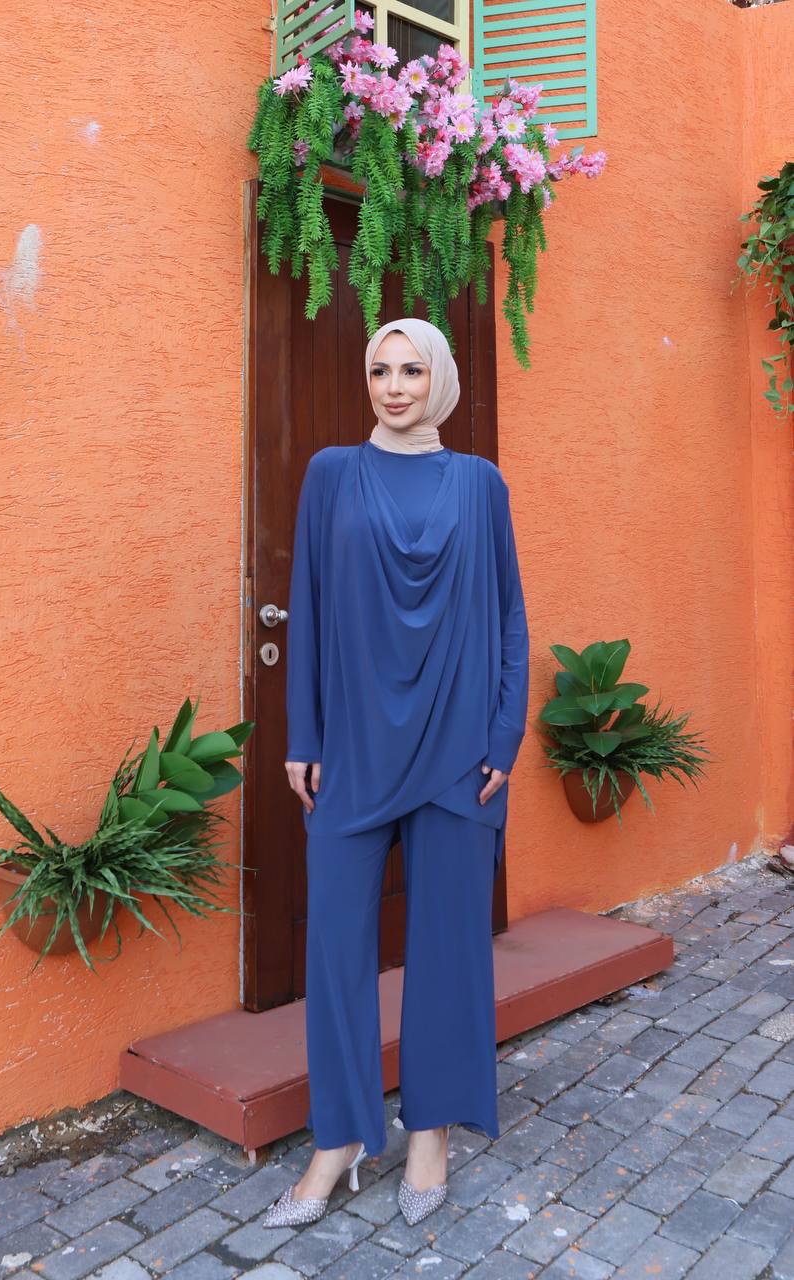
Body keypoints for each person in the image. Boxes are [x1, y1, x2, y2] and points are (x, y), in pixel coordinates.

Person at [264, 317, 529, 1230]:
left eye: (412, 370)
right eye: (380, 370)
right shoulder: (331, 473)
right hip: (352, 750)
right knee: (336, 945)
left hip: (459, 753)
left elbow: (509, 617)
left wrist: (505, 735)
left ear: (439, 379)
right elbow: (307, 605)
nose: (394, 386)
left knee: (450, 948)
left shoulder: (480, 484)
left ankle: (431, 1135)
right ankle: (338, 1138)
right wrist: (304, 734)